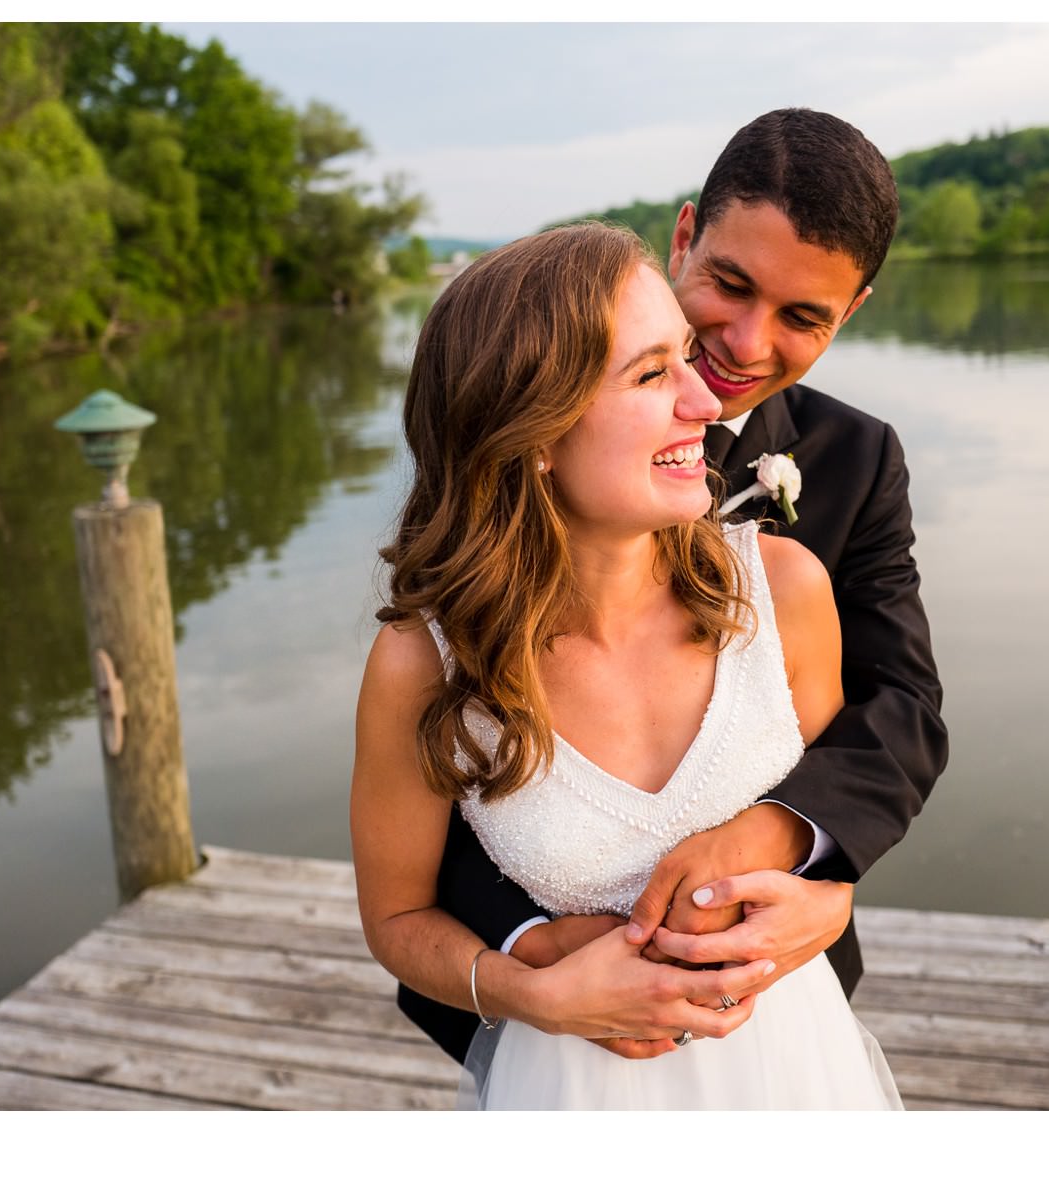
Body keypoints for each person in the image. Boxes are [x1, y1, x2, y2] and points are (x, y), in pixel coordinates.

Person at [396, 108, 947, 1066]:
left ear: (849, 312)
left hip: (767, 995)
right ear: (685, 235)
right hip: (550, 1012)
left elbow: (901, 711)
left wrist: (788, 842)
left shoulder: (856, 463)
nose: (740, 344)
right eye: (729, 284)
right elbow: (438, 753)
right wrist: (532, 951)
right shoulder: (525, 406)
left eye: (802, 317)